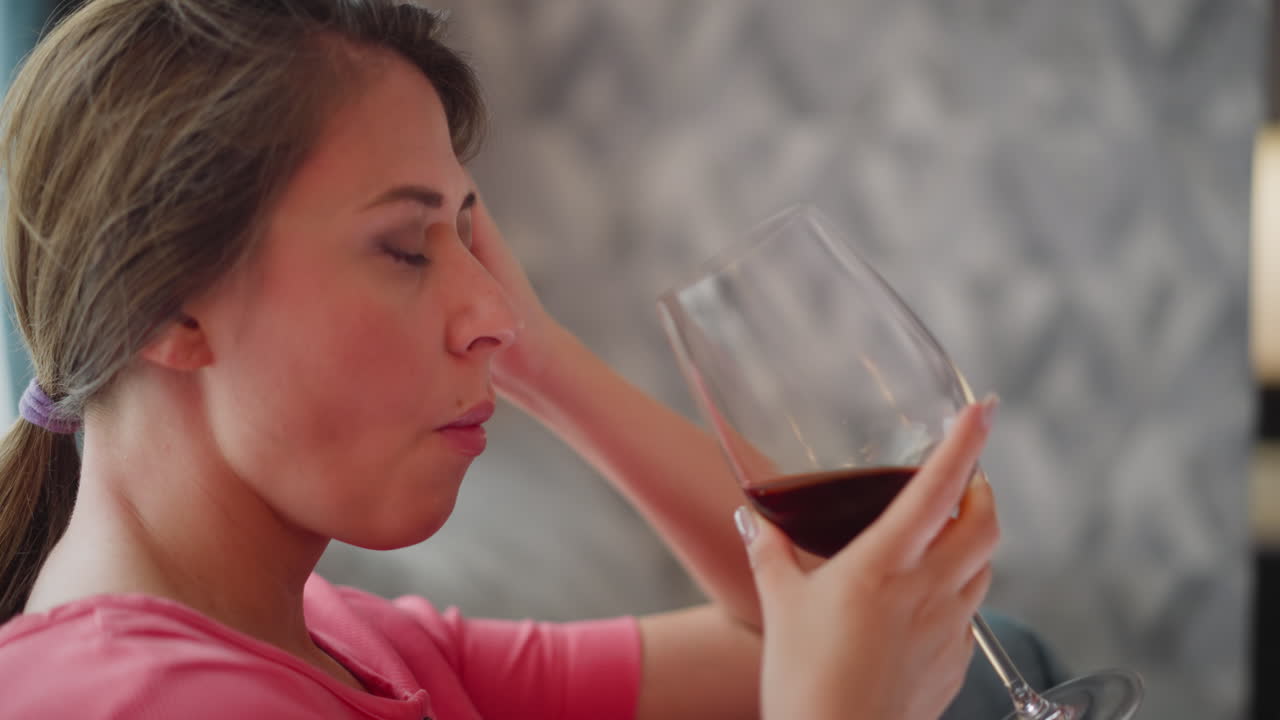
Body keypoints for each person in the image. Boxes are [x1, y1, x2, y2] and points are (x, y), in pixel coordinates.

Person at [0, 1, 1019, 717]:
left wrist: (542, 358)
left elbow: (788, 637)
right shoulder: (138, 703)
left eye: (470, 239)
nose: (491, 306)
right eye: (405, 247)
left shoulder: (352, 647)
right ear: (166, 303)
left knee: (1001, 659)